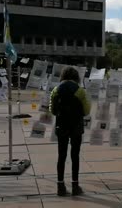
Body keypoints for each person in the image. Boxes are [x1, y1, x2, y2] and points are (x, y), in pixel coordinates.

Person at [50, 66, 90, 196]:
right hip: (76, 127)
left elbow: (53, 110)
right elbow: (86, 111)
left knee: (61, 156)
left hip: (61, 126)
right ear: (76, 77)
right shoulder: (80, 91)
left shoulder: (56, 90)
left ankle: (60, 187)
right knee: (75, 156)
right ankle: (75, 186)